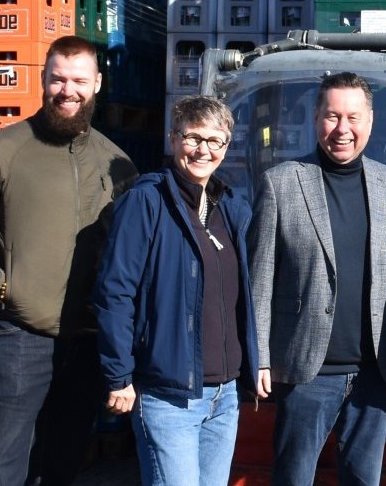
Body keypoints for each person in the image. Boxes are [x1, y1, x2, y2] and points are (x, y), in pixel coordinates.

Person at [0, 35, 137, 486]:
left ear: (97, 83)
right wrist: (4, 287)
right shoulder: (4, 151)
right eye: (58, 79)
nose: (68, 90)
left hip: (84, 346)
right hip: (17, 340)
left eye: (79, 80)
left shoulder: (116, 163)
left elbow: (132, 257)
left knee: (60, 469)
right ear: (43, 80)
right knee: (1, 471)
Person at [249, 73, 386, 486]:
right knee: (293, 479)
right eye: (332, 116)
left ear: (370, 120)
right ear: (316, 119)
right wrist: (259, 356)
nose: (342, 129)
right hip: (305, 372)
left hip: (375, 375)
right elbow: (261, 278)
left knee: (364, 480)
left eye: (352, 117)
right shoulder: (282, 183)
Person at [95, 95, 258, 486]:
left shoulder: (230, 207)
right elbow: (115, 293)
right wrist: (119, 374)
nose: (203, 149)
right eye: (193, 138)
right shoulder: (146, 202)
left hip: (225, 396)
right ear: (173, 139)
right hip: (169, 397)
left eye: (215, 140)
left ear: (226, 146)